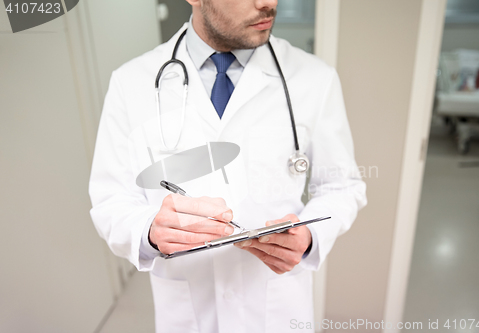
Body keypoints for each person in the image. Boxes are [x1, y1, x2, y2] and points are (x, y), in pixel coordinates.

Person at [89, 0, 367, 332]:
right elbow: (111, 201)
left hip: (276, 310)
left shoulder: (314, 79)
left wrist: (310, 236)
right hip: (189, 312)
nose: (268, 3)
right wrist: (150, 231)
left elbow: (342, 186)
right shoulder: (131, 83)